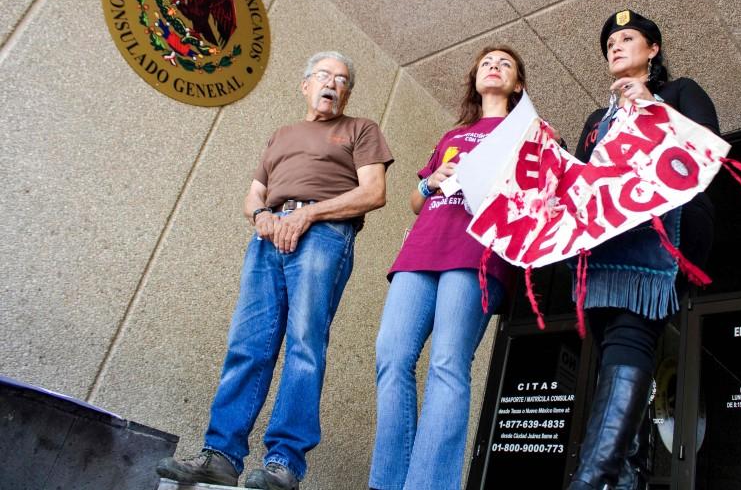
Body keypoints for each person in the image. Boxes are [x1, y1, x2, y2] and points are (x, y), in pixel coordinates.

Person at [157, 51, 394, 490]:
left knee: (304, 344)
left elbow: (373, 192)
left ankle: (284, 462)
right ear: (305, 85)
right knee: (248, 344)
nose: (332, 83)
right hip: (268, 235)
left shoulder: (361, 129)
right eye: (324, 75)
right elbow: (254, 195)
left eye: (342, 79)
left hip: (324, 234)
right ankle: (221, 455)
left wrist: (308, 215)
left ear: (348, 92)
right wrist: (263, 217)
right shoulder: (281, 135)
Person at [568, 10, 719, 490]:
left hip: (656, 241)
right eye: (610, 41)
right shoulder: (597, 119)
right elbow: (582, 183)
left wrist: (652, 104)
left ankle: (593, 478)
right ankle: (625, 475)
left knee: (630, 339)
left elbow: (706, 149)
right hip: (602, 250)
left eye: (628, 38)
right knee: (615, 348)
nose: (616, 45)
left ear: (653, 49)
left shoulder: (680, 93)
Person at [368, 46, 527, 490]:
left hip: (477, 254)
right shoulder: (453, 135)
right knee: (391, 357)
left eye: (505, 64)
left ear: (517, 85)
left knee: (447, 363)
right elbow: (418, 203)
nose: (493, 66)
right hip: (421, 253)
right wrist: (428, 180)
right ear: (475, 78)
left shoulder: (528, 131)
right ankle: (388, 482)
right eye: (486, 63)